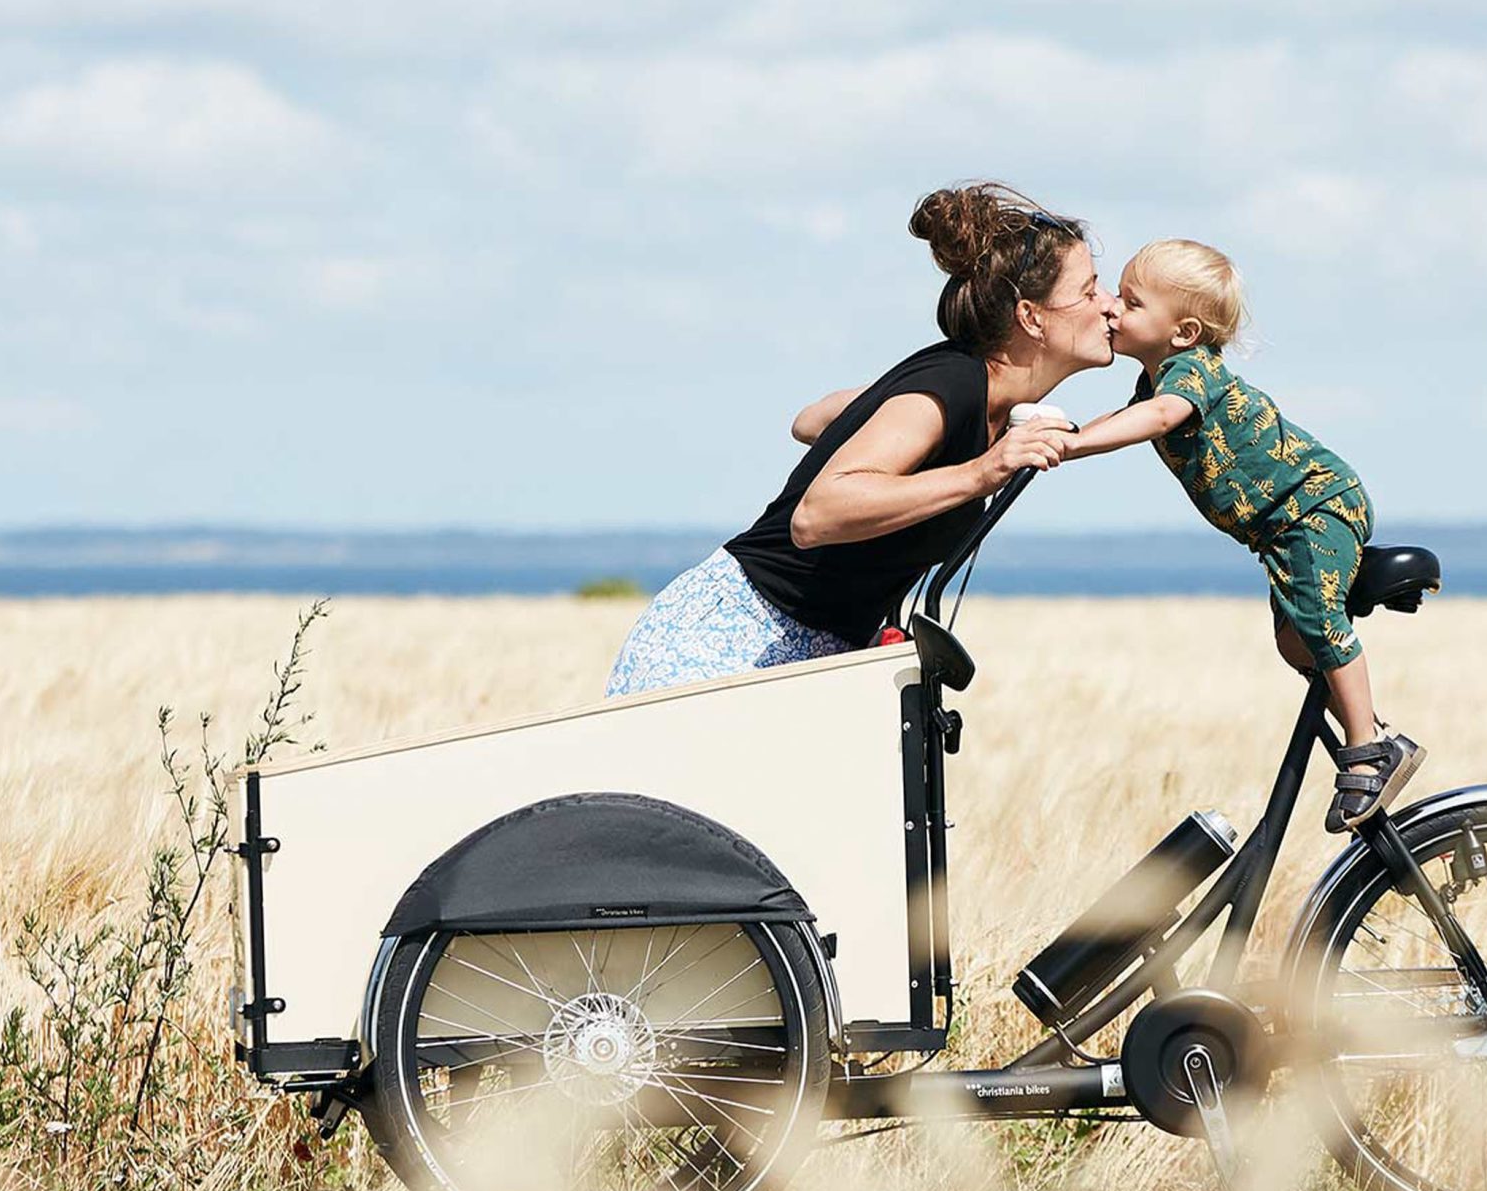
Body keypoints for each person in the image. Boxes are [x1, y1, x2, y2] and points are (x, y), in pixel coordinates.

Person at [605, 182, 1116, 697]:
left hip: (811, 651)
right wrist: (979, 473)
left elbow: (811, 421)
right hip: (733, 641)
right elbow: (815, 516)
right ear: (1031, 317)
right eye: (1090, 291)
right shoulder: (958, 385)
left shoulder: (979, 401)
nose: (1110, 306)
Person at [1065, 240, 1420, 831]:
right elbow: (1125, 417)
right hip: (1279, 532)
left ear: (1184, 333)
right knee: (1294, 644)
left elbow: (1157, 419)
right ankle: (1377, 732)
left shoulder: (1191, 372)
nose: (1113, 309)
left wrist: (1075, 446)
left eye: (1131, 302)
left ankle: (1367, 748)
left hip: (1314, 506)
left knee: (1317, 619)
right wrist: (1064, 433)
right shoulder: (1156, 379)